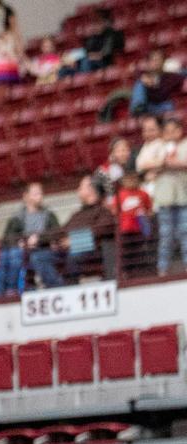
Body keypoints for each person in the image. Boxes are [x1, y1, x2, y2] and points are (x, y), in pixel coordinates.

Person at [0, 183, 62, 297]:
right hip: (21, 249)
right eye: (35, 193)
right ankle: (2, 293)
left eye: (40, 193)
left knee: (19, 256)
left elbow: (56, 233)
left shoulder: (49, 215)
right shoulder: (16, 217)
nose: (40, 196)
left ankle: (12, 289)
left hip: (41, 249)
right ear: (26, 196)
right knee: (7, 256)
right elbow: (7, 238)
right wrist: (20, 243)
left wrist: (39, 239)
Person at [135, 116, 187, 275]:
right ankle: (162, 269)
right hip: (164, 199)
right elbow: (142, 165)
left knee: (185, 233)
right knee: (166, 235)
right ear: (163, 133)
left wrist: (166, 166)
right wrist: (163, 164)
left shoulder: (185, 145)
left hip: (184, 197)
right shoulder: (158, 146)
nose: (171, 134)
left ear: (181, 131)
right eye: (167, 132)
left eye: (174, 131)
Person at [55, 176, 116, 281]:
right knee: (40, 257)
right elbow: (61, 231)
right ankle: (57, 286)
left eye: (81, 187)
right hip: (66, 248)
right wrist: (51, 240)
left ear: (91, 190)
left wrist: (74, 241)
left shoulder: (103, 212)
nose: (78, 190)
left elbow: (101, 230)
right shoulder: (77, 214)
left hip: (91, 249)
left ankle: (70, 286)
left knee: (74, 255)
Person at [112, 170, 155, 277]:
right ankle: (125, 273)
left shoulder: (143, 194)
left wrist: (144, 216)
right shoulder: (119, 195)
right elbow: (114, 211)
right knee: (126, 252)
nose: (132, 181)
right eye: (129, 178)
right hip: (125, 229)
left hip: (140, 229)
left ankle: (139, 273)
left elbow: (149, 209)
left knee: (140, 251)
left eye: (134, 178)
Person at [129, 50, 183, 119]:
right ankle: (138, 108)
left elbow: (182, 74)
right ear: (149, 63)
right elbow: (134, 69)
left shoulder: (170, 76)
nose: (155, 62)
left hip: (164, 104)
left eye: (158, 60)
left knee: (169, 106)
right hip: (149, 105)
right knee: (139, 83)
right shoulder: (144, 74)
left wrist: (154, 85)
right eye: (153, 60)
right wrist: (142, 78)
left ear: (163, 62)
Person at [77, 8, 123, 74]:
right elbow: (86, 51)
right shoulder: (94, 36)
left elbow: (106, 53)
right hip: (93, 61)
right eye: (95, 23)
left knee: (86, 62)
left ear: (106, 22)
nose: (95, 26)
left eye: (98, 22)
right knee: (65, 69)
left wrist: (92, 56)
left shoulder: (113, 34)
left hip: (108, 63)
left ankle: (87, 80)